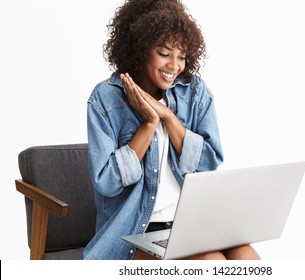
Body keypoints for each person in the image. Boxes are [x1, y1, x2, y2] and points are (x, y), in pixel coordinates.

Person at [84, 0, 260, 260]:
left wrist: (168, 117)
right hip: (137, 233)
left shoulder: (196, 92)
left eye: (182, 56)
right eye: (165, 54)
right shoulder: (105, 99)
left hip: (192, 224)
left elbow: (209, 163)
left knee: (248, 260)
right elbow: (107, 183)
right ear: (141, 48)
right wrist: (149, 124)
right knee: (212, 263)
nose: (174, 66)